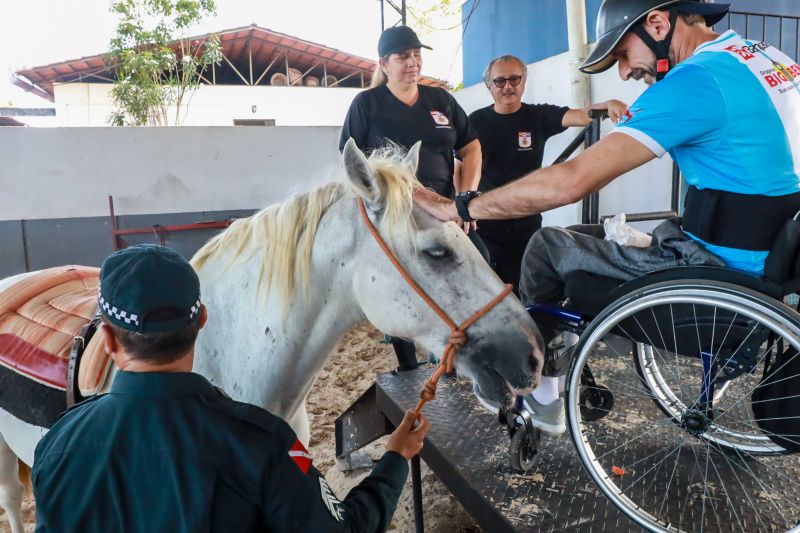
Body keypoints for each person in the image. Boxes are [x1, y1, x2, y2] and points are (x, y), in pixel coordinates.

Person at [414, 0, 800, 436]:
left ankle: (544, 394)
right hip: (774, 259)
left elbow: (570, 183)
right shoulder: (768, 58)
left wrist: (459, 206)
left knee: (546, 246)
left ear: (657, 22)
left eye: (622, 54)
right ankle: (563, 351)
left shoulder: (694, 81)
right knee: (580, 234)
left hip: (719, 267)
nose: (624, 72)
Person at [32, 244, 429, 532]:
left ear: (108, 339)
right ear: (202, 319)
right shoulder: (267, 442)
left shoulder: (58, 444)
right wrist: (395, 458)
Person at [339, 25, 486, 371]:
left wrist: (465, 196)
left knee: (480, 258)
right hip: (396, 212)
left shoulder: (441, 100)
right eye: (403, 56)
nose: (413, 62)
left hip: (446, 209)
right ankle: (407, 362)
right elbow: (352, 164)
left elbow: (472, 147)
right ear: (384, 63)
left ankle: (455, 350)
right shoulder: (366, 104)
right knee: (402, 281)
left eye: (417, 55)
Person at [466, 53, 628, 289]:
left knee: (526, 285)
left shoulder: (538, 116)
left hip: (527, 221)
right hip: (486, 222)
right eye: (500, 81)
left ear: (524, 81)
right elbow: (462, 167)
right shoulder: (476, 121)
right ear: (489, 85)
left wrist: (608, 105)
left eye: (514, 79)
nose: (508, 86)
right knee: (486, 289)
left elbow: (581, 115)